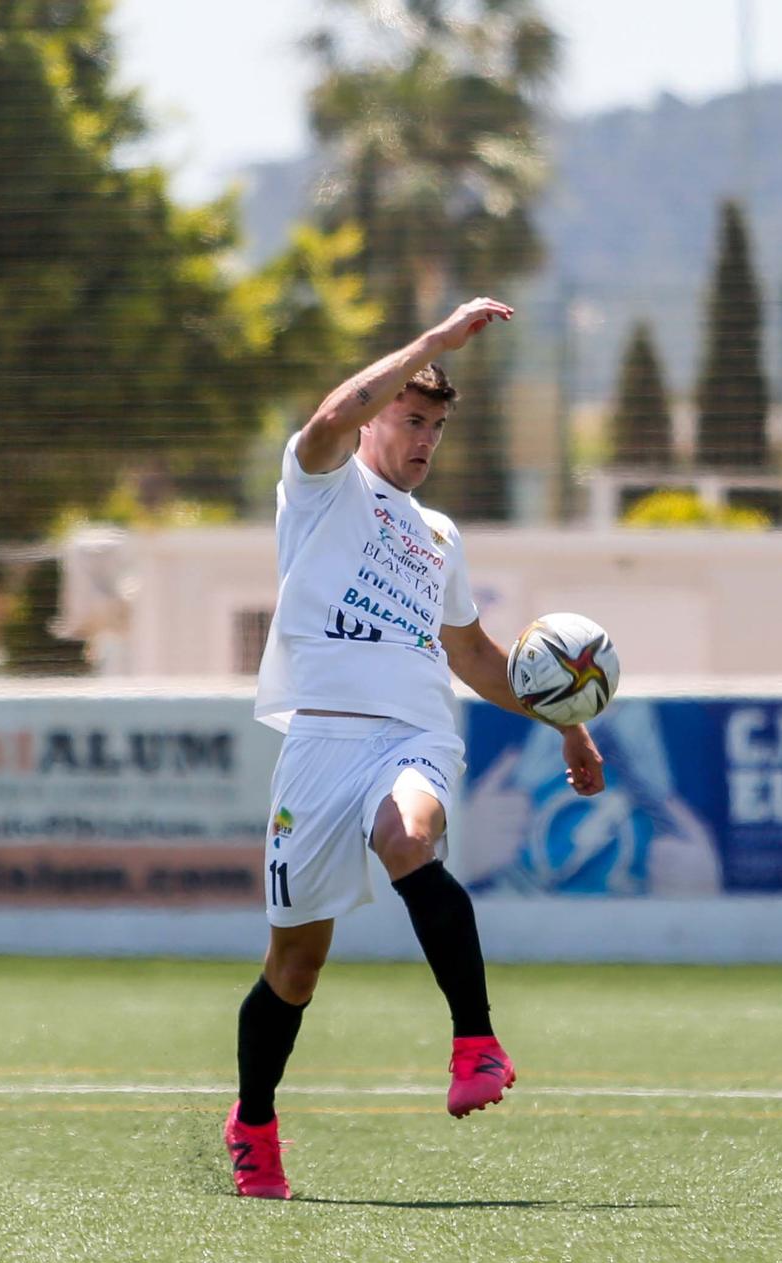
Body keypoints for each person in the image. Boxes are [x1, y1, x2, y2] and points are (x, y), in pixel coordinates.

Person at [227, 298, 607, 1200]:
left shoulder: (439, 537)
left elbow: (473, 654)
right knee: (295, 966)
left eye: (436, 425)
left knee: (410, 838)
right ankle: (253, 1124)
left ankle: (475, 1039)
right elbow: (329, 417)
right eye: (412, 418)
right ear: (382, 413)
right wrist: (432, 343)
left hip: (414, 734)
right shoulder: (320, 485)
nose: (424, 438)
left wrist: (567, 720)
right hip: (318, 745)